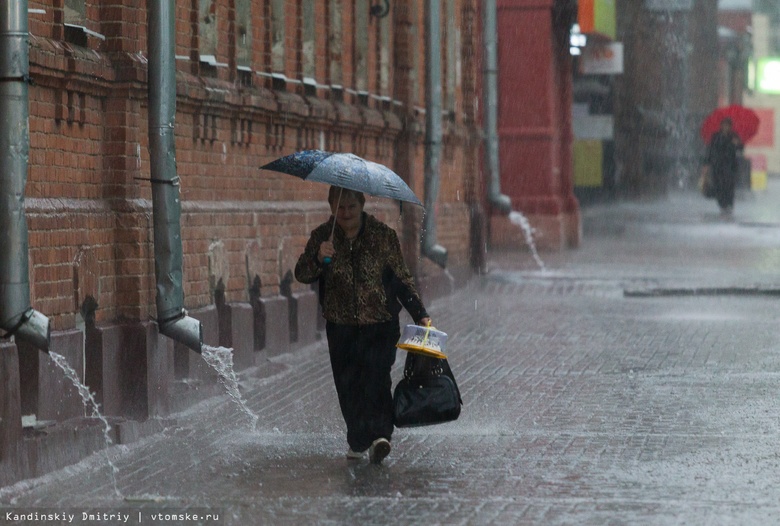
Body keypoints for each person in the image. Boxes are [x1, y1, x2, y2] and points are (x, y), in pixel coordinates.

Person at [295, 186, 430, 464]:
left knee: (376, 379)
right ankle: (357, 439)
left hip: (379, 323)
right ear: (331, 206)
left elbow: (401, 279)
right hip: (340, 324)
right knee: (348, 385)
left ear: (362, 204)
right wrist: (318, 258)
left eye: (351, 207)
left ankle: (381, 437)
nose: (346, 213)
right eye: (340, 207)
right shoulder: (323, 236)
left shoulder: (383, 236)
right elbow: (302, 274)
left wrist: (420, 314)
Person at [704, 117, 743, 217]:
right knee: (719, 185)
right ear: (721, 126)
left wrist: (737, 144)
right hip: (718, 165)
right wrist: (707, 164)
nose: (726, 127)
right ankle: (722, 204)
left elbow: (740, 148)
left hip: (730, 165)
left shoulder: (733, 136)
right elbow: (711, 150)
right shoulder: (716, 136)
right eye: (724, 125)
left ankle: (729, 204)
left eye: (727, 125)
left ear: (730, 126)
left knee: (729, 186)